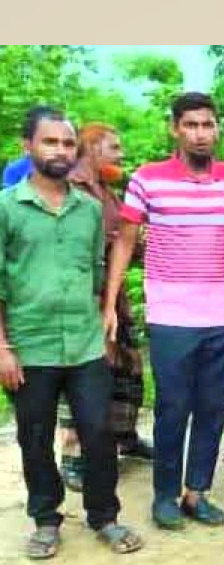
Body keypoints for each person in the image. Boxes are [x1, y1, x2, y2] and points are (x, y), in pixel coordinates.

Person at [1, 106, 143, 559]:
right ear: (28, 147)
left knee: (98, 431)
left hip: (84, 341)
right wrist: (3, 347)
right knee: (35, 435)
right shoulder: (7, 208)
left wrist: (106, 320)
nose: (60, 151)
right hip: (30, 343)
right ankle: (46, 519)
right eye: (49, 142)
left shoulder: (87, 210)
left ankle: (105, 516)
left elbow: (98, 273)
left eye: (67, 144)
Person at [107, 92, 224, 531]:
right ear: (175, 129)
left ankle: (196, 493)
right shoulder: (148, 179)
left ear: (217, 128)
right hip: (171, 316)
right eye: (191, 125)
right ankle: (164, 495)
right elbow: (126, 241)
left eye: (208, 125)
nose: (201, 134)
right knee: (172, 407)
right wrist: (109, 304)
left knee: (212, 406)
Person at [56, 123, 153, 494]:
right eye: (114, 148)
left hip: (115, 300)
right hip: (83, 299)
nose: (121, 155)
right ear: (93, 148)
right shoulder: (71, 189)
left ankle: (124, 438)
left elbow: (127, 242)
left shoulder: (109, 192)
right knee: (85, 377)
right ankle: (74, 457)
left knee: (128, 370)